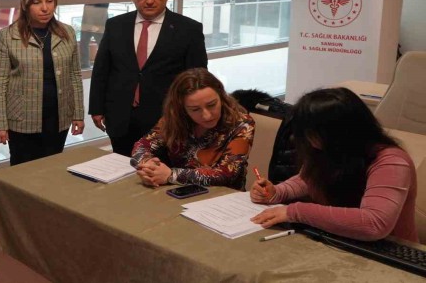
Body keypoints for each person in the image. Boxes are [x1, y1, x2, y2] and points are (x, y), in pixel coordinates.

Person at [250, 88, 418, 242]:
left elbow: (373, 223)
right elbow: (307, 180)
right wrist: (277, 192)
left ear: (341, 133)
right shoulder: (327, 150)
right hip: (338, 240)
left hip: (390, 252)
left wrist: (295, 211)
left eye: (312, 133)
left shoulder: (391, 162)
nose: (308, 139)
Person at [89, 0, 208, 157]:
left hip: (166, 119)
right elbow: (101, 70)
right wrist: (96, 108)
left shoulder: (188, 29)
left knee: (158, 170)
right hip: (120, 116)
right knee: (121, 166)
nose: (149, 1)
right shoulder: (115, 25)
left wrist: (193, 116)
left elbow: (197, 78)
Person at [0, 0, 85, 165]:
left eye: (49, 1)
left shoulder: (67, 33)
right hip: (22, 118)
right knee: (22, 171)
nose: (45, 8)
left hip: (58, 117)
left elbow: (75, 76)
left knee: (51, 167)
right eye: (37, 2)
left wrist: (78, 114)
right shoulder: (9, 36)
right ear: (25, 5)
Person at [131, 68, 255, 190]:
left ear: (222, 98)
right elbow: (142, 145)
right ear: (182, 108)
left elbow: (225, 175)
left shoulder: (241, 124)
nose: (207, 115)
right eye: (195, 109)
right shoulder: (174, 119)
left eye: (212, 105)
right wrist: (148, 166)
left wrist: (170, 175)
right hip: (177, 191)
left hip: (223, 196)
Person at [79, 0, 111, 68]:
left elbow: (104, 7)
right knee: (83, 43)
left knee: (101, 44)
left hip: (98, 23)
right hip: (87, 21)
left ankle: (103, 66)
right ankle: (85, 64)